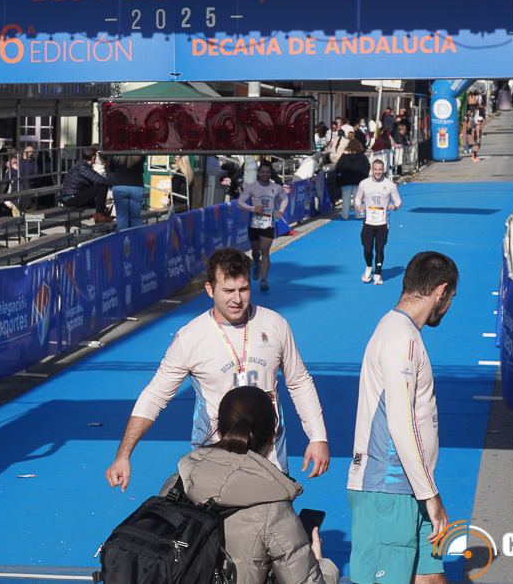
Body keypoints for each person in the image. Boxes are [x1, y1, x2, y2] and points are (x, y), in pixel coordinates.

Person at [106, 248, 329, 491]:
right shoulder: (190, 337)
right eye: (228, 291)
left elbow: (299, 381)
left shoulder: (275, 324)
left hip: (271, 461)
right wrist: (123, 455)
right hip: (213, 467)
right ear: (210, 289)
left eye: (244, 289)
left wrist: (318, 437)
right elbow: (155, 396)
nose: (237, 299)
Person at [349, 252, 458, 584]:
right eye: (451, 297)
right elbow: (400, 422)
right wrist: (430, 495)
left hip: (412, 486)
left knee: (431, 578)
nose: (449, 306)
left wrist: (426, 490)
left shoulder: (402, 331)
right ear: (441, 291)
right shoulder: (402, 339)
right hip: (389, 490)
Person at [160, 386, 339, 584]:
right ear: (273, 435)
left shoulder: (177, 484)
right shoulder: (274, 511)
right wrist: (322, 564)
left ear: (219, 430)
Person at [237, 162, 288, 292]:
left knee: (265, 251)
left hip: (269, 222)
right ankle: (256, 264)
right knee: (255, 251)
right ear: (259, 173)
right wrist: (253, 208)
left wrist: (281, 211)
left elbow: (285, 199)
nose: (265, 174)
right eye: (263, 172)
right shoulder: (251, 187)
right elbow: (240, 202)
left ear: (270, 174)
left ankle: (264, 280)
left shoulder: (276, 187)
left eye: (267, 172)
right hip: (254, 222)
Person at [354, 159, 402, 285]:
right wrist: (358, 206)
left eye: (380, 169)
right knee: (367, 248)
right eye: (375, 169)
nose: (378, 172)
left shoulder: (390, 185)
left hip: (383, 222)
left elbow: (398, 202)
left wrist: (394, 207)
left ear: (384, 170)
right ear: (372, 170)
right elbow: (358, 198)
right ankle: (369, 266)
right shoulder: (364, 184)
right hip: (368, 221)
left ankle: (378, 274)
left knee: (380, 249)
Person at [61, 146, 112, 222]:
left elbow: (96, 178)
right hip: (70, 198)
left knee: (98, 203)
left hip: (72, 196)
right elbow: (98, 179)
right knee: (101, 187)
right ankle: (99, 216)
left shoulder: (82, 165)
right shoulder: (83, 168)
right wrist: (115, 184)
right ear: (93, 157)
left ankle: (101, 215)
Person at [107, 154, 146, 230]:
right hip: (137, 186)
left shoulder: (116, 154)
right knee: (136, 217)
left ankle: (123, 236)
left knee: (122, 217)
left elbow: (110, 168)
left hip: (120, 185)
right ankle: (138, 236)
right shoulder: (140, 154)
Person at [335, 139, 370, 221]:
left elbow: (338, 167)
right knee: (358, 198)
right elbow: (367, 167)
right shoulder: (362, 156)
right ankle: (358, 215)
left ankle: (345, 215)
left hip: (345, 180)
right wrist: (364, 176)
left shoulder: (344, 156)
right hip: (359, 180)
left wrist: (340, 174)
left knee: (345, 199)